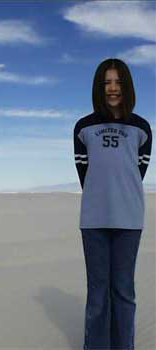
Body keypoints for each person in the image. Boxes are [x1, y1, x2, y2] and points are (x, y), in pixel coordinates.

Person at [73, 58, 153, 350]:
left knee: (123, 291)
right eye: (107, 82)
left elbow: (137, 172)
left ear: (127, 86)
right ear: (99, 87)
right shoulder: (83, 127)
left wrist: (120, 195)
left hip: (129, 220)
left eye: (118, 82)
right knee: (97, 294)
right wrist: (102, 196)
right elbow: (85, 173)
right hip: (93, 221)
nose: (112, 88)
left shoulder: (141, 128)